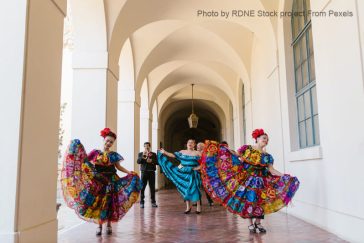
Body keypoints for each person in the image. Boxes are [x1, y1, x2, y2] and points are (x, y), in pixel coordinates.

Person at [200, 129, 300, 233]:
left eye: (267, 139)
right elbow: (237, 155)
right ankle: (250, 224)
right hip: (247, 180)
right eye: (264, 138)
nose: (266, 140)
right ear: (257, 139)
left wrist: (285, 176)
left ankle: (258, 223)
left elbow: (271, 169)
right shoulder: (247, 149)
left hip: (262, 181)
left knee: (260, 202)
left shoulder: (268, 157)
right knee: (249, 200)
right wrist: (227, 150)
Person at [61, 128, 142, 236]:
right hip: (98, 182)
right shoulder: (95, 153)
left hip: (111, 181)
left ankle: (108, 225)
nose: (109, 143)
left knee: (109, 204)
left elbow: (118, 167)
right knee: (99, 204)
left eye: (111, 142)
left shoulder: (113, 155)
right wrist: (77, 151)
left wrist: (129, 172)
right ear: (104, 139)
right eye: (107, 140)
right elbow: (85, 162)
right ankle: (99, 226)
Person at [158, 139, 202, 214]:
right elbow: (173, 155)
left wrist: (198, 168)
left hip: (193, 173)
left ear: (194, 145)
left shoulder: (198, 153)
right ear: (187, 144)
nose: (190, 144)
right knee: (185, 190)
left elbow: (205, 162)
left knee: (195, 189)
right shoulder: (182, 152)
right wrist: (164, 152)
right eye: (189, 142)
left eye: (192, 143)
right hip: (183, 173)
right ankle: (188, 207)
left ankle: (198, 207)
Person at [137, 142, 158, 208]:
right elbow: (138, 161)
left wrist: (151, 161)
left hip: (151, 172)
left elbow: (157, 162)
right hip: (144, 172)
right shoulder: (141, 154)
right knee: (142, 188)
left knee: (152, 188)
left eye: (148, 146)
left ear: (150, 146)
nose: (146, 147)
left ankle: (153, 202)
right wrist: (143, 156)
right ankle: (141, 202)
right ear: (144, 146)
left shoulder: (154, 154)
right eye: (145, 146)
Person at [196, 142, 214, 206]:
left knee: (206, 187)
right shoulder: (196, 153)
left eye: (200, 146)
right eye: (197, 146)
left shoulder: (206, 153)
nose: (198, 147)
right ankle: (198, 202)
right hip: (197, 172)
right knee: (197, 187)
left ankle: (210, 201)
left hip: (205, 172)